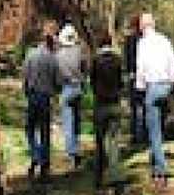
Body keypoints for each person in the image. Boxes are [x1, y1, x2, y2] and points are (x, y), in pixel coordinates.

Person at [135, 12, 174, 190]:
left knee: (153, 132)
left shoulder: (143, 43)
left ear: (142, 27)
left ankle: (161, 172)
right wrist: (172, 81)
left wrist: (139, 88)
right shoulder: (164, 40)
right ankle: (155, 168)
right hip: (166, 86)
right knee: (158, 129)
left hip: (153, 87)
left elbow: (141, 67)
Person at [22, 20, 61, 181]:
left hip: (32, 95)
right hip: (45, 97)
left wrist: (26, 91)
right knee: (45, 132)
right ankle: (45, 165)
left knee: (30, 129)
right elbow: (57, 81)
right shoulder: (52, 58)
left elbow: (25, 75)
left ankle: (35, 155)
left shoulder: (30, 54)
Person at [90, 30, 126, 189]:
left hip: (101, 104)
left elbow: (92, 81)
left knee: (99, 142)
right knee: (114, 142)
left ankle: (99, 178)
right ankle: (116, 176)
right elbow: (121, 82)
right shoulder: (118, 60)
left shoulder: (95, 60)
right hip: (115, 103)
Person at [55, 23, 87, 168]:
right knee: (77, 120)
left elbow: (57, 75)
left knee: (68, 123)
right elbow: (85, 68)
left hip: (66, 88)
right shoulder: (79, 51)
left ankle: (72, 153)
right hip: (78, 88)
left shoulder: (58, 55)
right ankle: (77, 147)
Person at [123, 13, 145, 143]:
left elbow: (127, 59)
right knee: (142, 105)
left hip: (134, 75)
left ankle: (136, 134)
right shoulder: (144, 39)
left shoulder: (129, 40)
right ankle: (142, 133)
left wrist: (129, 72)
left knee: (135, 106)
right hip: (144, 74)